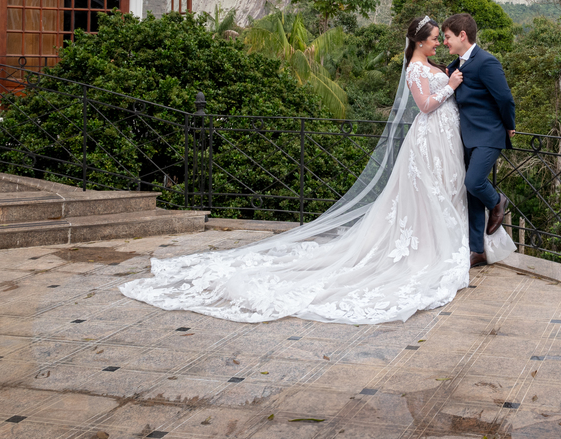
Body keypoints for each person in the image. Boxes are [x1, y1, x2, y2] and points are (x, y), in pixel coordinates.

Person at [119, 16, 473, 324]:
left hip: (442, 139)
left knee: (440, 190)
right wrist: (451, 86)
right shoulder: (414, 69)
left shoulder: (432, 66)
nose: (438, 43)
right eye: (433, 39)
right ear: (419, 41)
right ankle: (428, 250)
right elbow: (425, 105)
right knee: (425, 194)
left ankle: (442, 242)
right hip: (427, 137)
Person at [442, 13, 516, 268]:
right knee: (471, 195)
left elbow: (505, 98)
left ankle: (497, 202)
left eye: (448, 37)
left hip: (489, 134)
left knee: (474, 182)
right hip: (466, 137)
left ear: (462, 35)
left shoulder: (487, 62)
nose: (444, 42)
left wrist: (510, 126)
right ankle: (478, 252)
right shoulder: (454, 66)